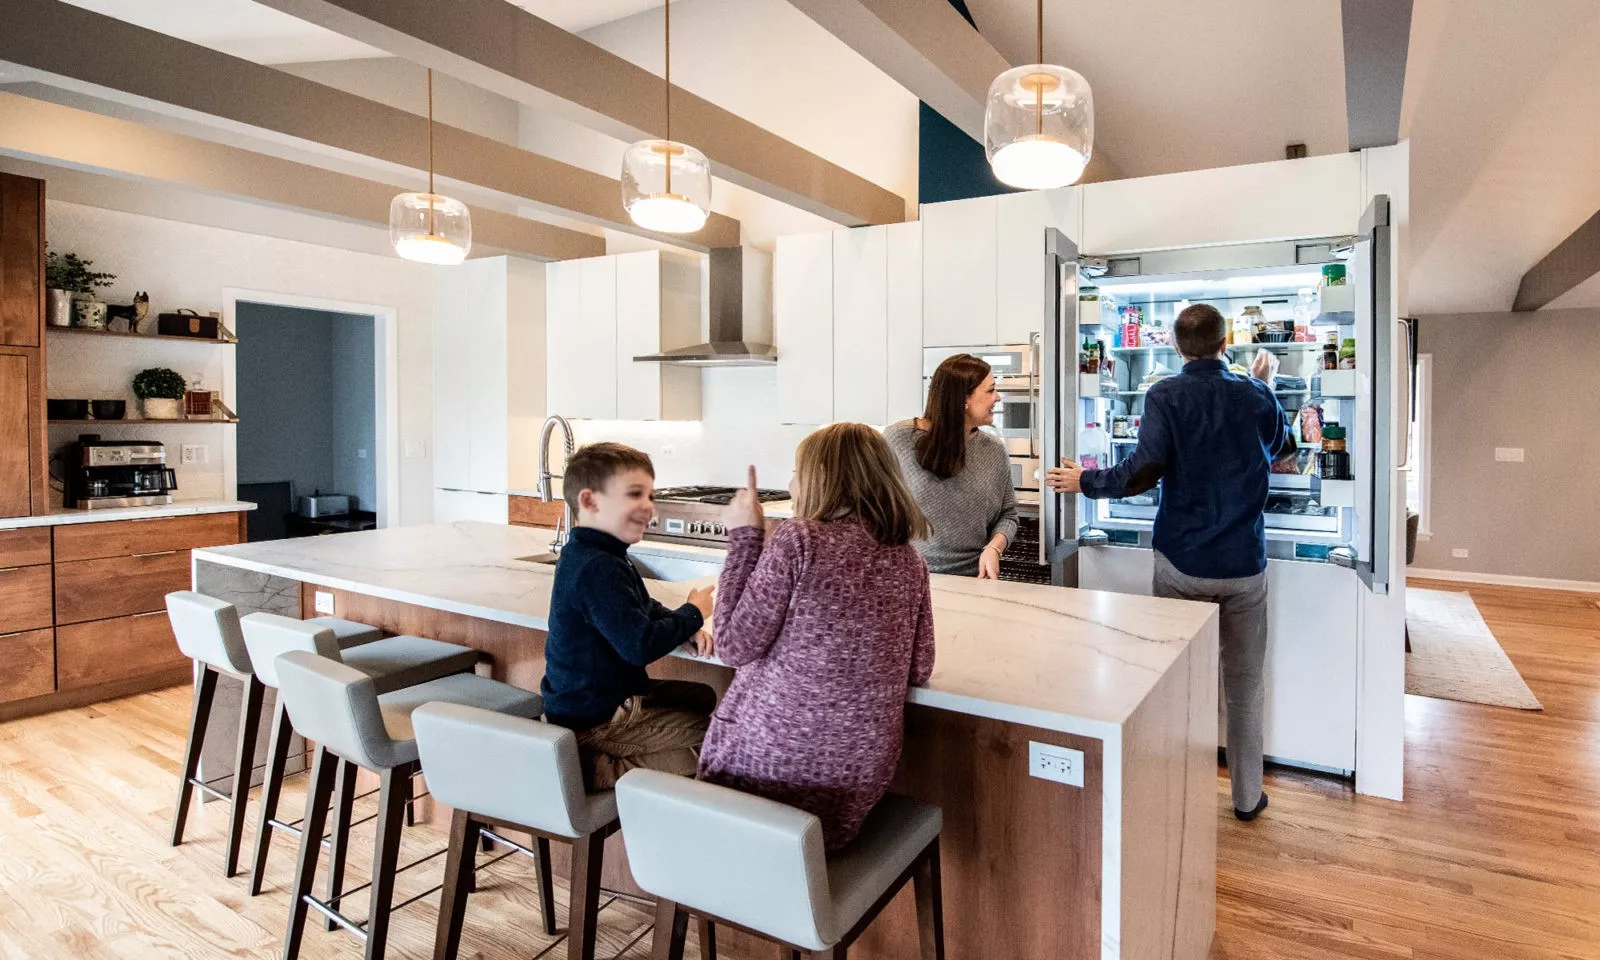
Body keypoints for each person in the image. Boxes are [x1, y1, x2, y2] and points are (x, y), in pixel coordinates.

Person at [1047, 304, 1293, 822]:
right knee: (1244, 685)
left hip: (1182, 563)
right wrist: (1262, 384)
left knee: (1180, 683)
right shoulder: (1257, 394)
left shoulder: (1164, 394)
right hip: (1245, 564)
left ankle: (1180, 797)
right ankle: (1247, 798)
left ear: (1177, 348)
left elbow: (1145, 470)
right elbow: (1282, 448)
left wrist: (1085, 481)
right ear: (1226, 343)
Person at [697, 423, 936, 850]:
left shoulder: (799, 539)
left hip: (765, 777)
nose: (790, 482)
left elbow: (732, 646)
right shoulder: (910, 561)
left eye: (796, 470)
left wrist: (744, 537)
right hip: (852, 793)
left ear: (822, 479)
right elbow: (919, 669)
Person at [540, 442, 717, 790]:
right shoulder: (598, 566)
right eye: (635, 495)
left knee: (704, 698)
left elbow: (642, 607)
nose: (648, 508)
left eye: (650, 496)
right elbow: (638, 645)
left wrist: (682, 625)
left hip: (583, 702)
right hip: (599, 717)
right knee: (720, 743)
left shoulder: (595, 552)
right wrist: (693, 613)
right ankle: (602, 770)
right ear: (590, 502)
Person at [884, 353, 1018, 578]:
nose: (998, 398)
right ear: (962, 399)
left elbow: (1009, 515)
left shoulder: (994, 450)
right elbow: (870, 508)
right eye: (990, 390)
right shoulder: (898, 438)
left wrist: (995, 547)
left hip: (974, 580)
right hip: (906, 578)